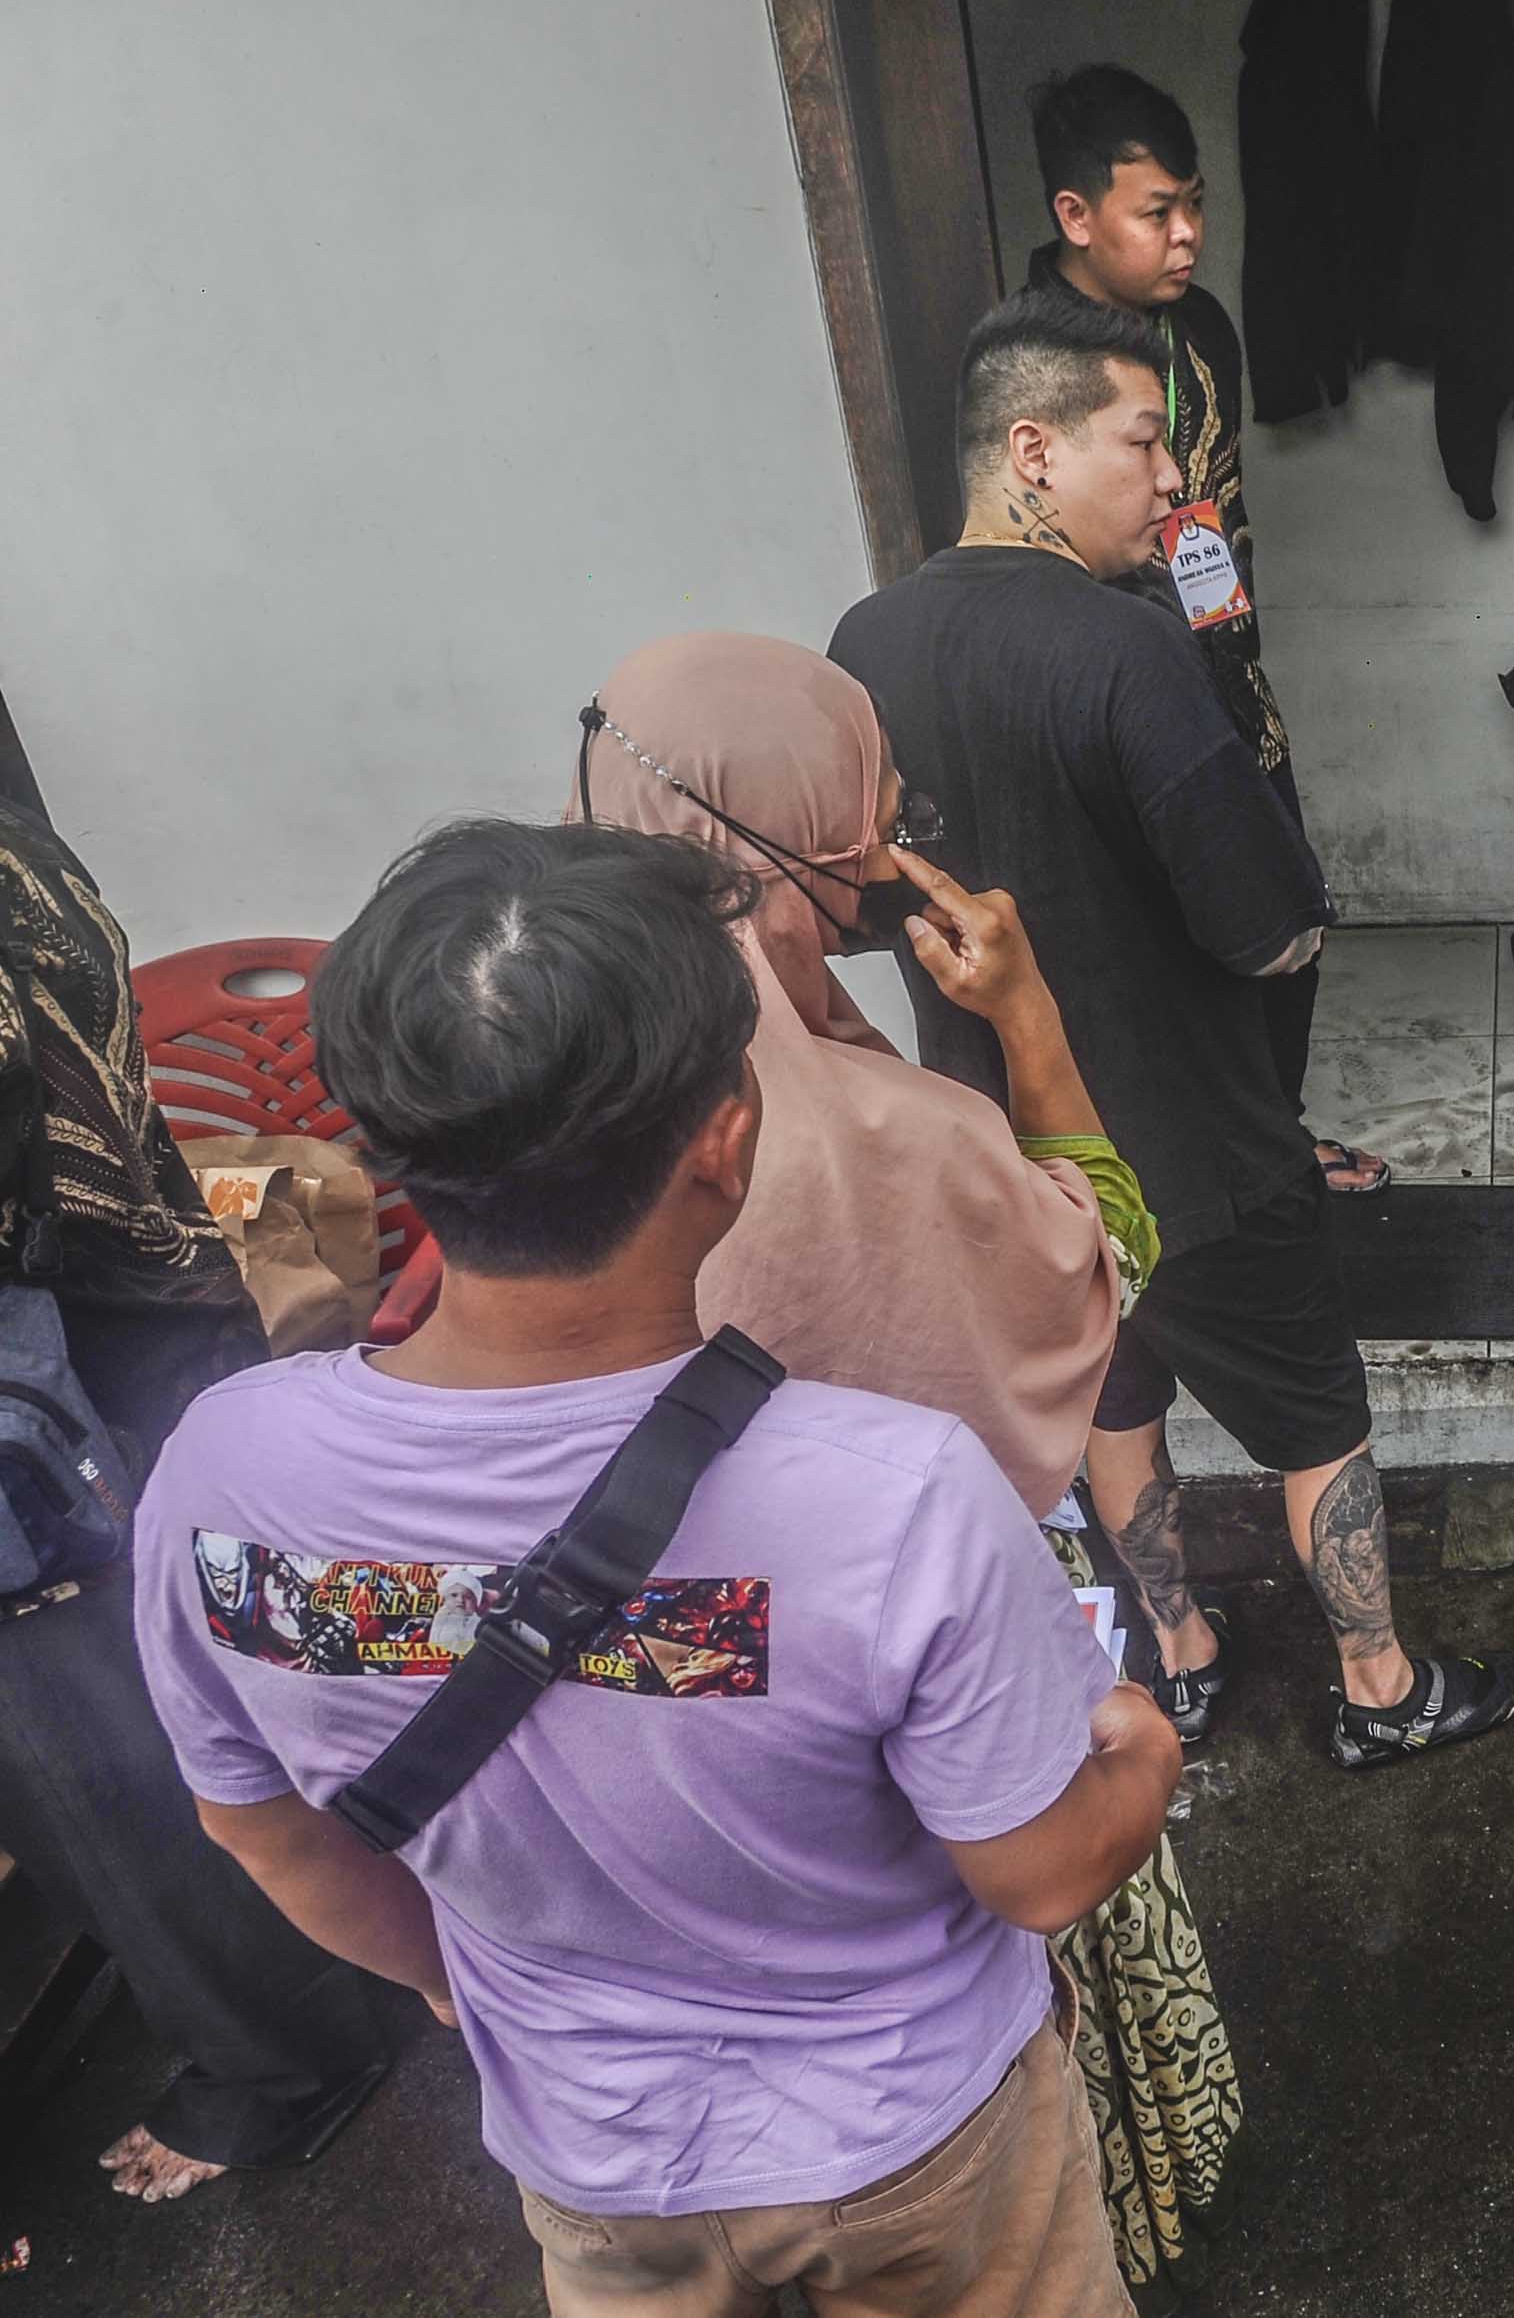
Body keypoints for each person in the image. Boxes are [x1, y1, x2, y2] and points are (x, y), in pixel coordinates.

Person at [129, 819, 1177, 2318]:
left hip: (590, 2163)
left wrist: (482, 1980)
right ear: (726, 1130)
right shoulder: (888, 1493)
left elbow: (267, 1833)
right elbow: (1042, 1866)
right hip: (915, 2149)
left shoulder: (218, 1473)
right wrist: (1138, 1749)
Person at [572, 633, 1240, 2287]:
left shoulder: (544, 1087)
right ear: (793, 835)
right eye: (859, 820)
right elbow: (1107, 1254)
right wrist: (1026, 1019)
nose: (877, 854)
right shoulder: (880, 1134)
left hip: (650, 1816)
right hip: (924, 1877)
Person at [829, 291, 1514, 1771]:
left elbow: (861, 895)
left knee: (1108, 1384)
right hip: (1193, 1145)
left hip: (1008, 1151)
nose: (1169, 481)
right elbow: (1265, 924)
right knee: (1310, 1407)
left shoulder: (864, 642)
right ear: (1033, 450)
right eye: (1142, 443)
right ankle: (1379, 1685)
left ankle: (1181, 1654)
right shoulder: (1123, 646)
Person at [0, 795, 395, 2205]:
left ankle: (292, 2053)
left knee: (97, 1736)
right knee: (247, 1646)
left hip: (68, 1354)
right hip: (161, 1275)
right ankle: (373, 1931)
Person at [1021, 62, 1383, 1200]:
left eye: (1196, 205)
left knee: (1283, 905)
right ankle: (1181, 1171)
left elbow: (1212, 514)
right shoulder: (1026, 359)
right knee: (1151, 948)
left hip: (1225, 674)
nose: (1188, 235)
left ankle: (1270, 1141)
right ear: (1075, 216)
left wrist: (1232, 659)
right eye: (1157, 213)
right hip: (1104, 700)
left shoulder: (1200, 329)